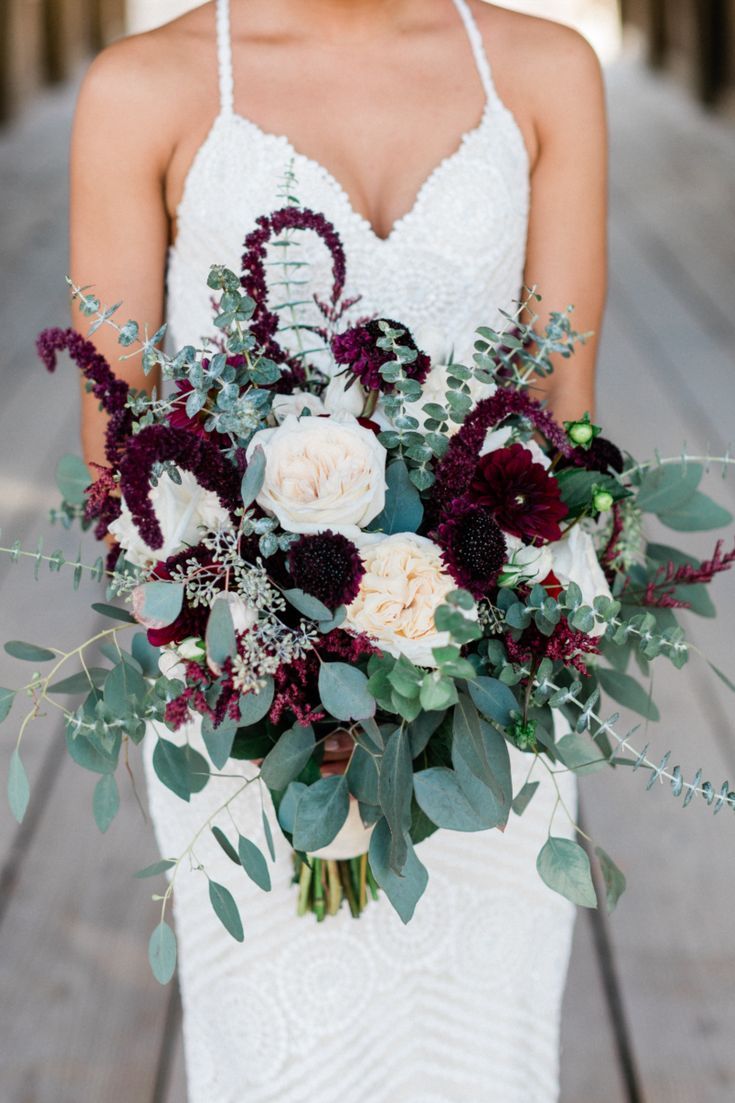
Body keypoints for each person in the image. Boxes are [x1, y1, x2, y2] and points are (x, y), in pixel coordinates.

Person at [71, 1, 607, 1100]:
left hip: (493, 697)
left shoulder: (547, 74)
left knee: (485, 1058)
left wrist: (474, 645)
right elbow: (119, 456)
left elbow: (563, 419)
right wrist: (277, 673)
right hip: (249, 715)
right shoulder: (145, 88)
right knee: (285, 1062)